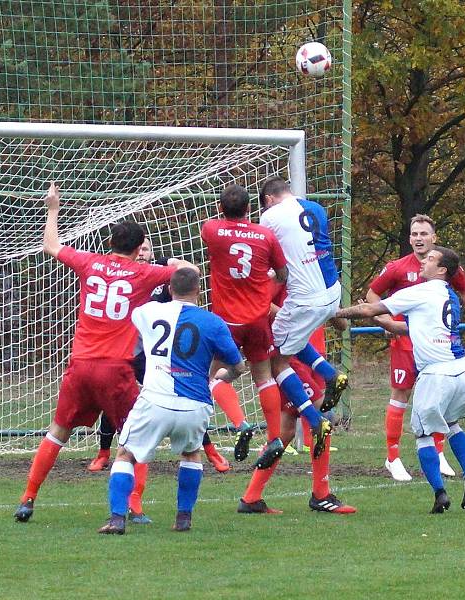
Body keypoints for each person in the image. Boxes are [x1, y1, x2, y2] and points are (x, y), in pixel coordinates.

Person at [14, 182, 195, 522]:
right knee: (135, 436)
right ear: (139, 247)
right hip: (116, 368)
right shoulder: (144, 272)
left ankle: (27, 498)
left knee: (58, 431)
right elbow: (190, 273)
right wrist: (167, 260)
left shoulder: (90, 263)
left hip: (81, 364)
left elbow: (50, 245)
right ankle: (134, 506)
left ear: (110, 243)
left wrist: (53, 208)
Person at [98, 268, 246, 534]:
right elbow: (238, 367)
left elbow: (126, 317)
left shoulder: (148, 312)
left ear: (169, 290)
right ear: (199, 291)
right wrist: (218, 377)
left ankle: (118, 519)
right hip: (195, 405)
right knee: (191, 453)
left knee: (125, 454)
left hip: (155, 400)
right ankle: (183, 518)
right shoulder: (213, 322)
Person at [337, 247, 465, 513]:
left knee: (423, 435)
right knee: (451, 424)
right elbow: (403, 327)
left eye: (430, 260)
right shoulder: (448, 295)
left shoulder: (420, 291)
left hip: (436, 373)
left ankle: (440, 494)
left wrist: (334, 314)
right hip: (461, 370)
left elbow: (370, 307)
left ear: (441, 270)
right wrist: (383, 322)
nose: (424, 262)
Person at [87, 237, 239, 477]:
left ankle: (209, 449)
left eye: (146, 249)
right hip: (130, 348)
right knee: (113, 396)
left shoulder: (160, 272)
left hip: (160, 353)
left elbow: (192, 271)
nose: (142, 254)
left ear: (149, 252)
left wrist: (168, 261)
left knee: (184, 394)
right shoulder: (124, 275)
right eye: (140, 249)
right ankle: (103, 452)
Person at [366, 214, 465, 482]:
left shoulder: (444, 264)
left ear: (434, 238)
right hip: (406, 344)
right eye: (414, 234)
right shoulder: (397, 267)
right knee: (401, 395)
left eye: (423, 234)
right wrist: (387, 323)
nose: (418, 238)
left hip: (437, 350)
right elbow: (373, 295)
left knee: (439, 400)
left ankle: (438, 452)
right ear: (409, 238)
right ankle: (393, 457)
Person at [236, 295, 356, 515]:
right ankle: (321, 494)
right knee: (322, 416)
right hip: (288, 356)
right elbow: (262, 303)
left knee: (287, 429)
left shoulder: (304, 271)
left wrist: (331, 309)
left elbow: (340, 323)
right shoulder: (277, 270)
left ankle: (251, 497)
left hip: (306, 351)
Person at [256, 176, 346, 465]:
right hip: (332, 291)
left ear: (268, 199)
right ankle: (332, 375)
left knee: (276, 362)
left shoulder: (269, 216)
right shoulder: (316, 208)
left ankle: (314, 419)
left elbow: (264, 255)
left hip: (305, 299)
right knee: (294, 340)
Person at [200, 184, 289, 469]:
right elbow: (283, 274)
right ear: (250, 209)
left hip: (225, 322)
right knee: (264, 376)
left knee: (208, 376)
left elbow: (215, 231)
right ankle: (274, 438)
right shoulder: (265, 235)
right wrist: (264, 286)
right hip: (257, 319)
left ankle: (236, 424)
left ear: (220, 208)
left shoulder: (212, 230)